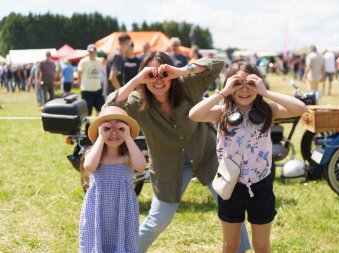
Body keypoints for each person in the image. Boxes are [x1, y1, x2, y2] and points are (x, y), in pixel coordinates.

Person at [104, 51, 251, 253]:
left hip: (206, 155)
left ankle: (241, 250)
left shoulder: (187, 85)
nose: (158, 80)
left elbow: (218, 63)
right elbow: (109, 107)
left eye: (163, 73)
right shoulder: (138, 101)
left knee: (230, 206)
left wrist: (182, 70)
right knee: (157, 221)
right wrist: (137, 80)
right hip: (168, 168)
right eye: (151, 74)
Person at [189, 62, 306, 253]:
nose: (244, 90)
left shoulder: (268, 111)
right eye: (238, 84)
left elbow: (300, 108)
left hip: (261, 184)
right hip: (231, 185)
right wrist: (223, 92)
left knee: (261, 246)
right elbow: (194, 115)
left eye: (250, 84)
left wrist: (265, 92)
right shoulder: (222, 112)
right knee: (230, 246)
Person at [79, 105, 146, 252]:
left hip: (123, 210)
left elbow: (141, 166)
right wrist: (101, 137)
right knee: (95, 244)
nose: (114, 133)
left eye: (120, 129)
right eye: (107, 128)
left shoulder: (127, 155)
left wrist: (127, 136)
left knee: (123, 244)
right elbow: (89, 166)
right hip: (98, 209)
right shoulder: (95, 154)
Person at [78, 44, 104, 116]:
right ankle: (87, 126)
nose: (91, 53)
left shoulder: (100, 61)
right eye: (90, 52)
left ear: (96, 52)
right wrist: (80, 86)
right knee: (87, 111)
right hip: (86, 90)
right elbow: (79, 74)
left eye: (93, 52)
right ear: (88, 52)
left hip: (98, 89)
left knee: (100, 109)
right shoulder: (83, 61)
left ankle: (98, 126)